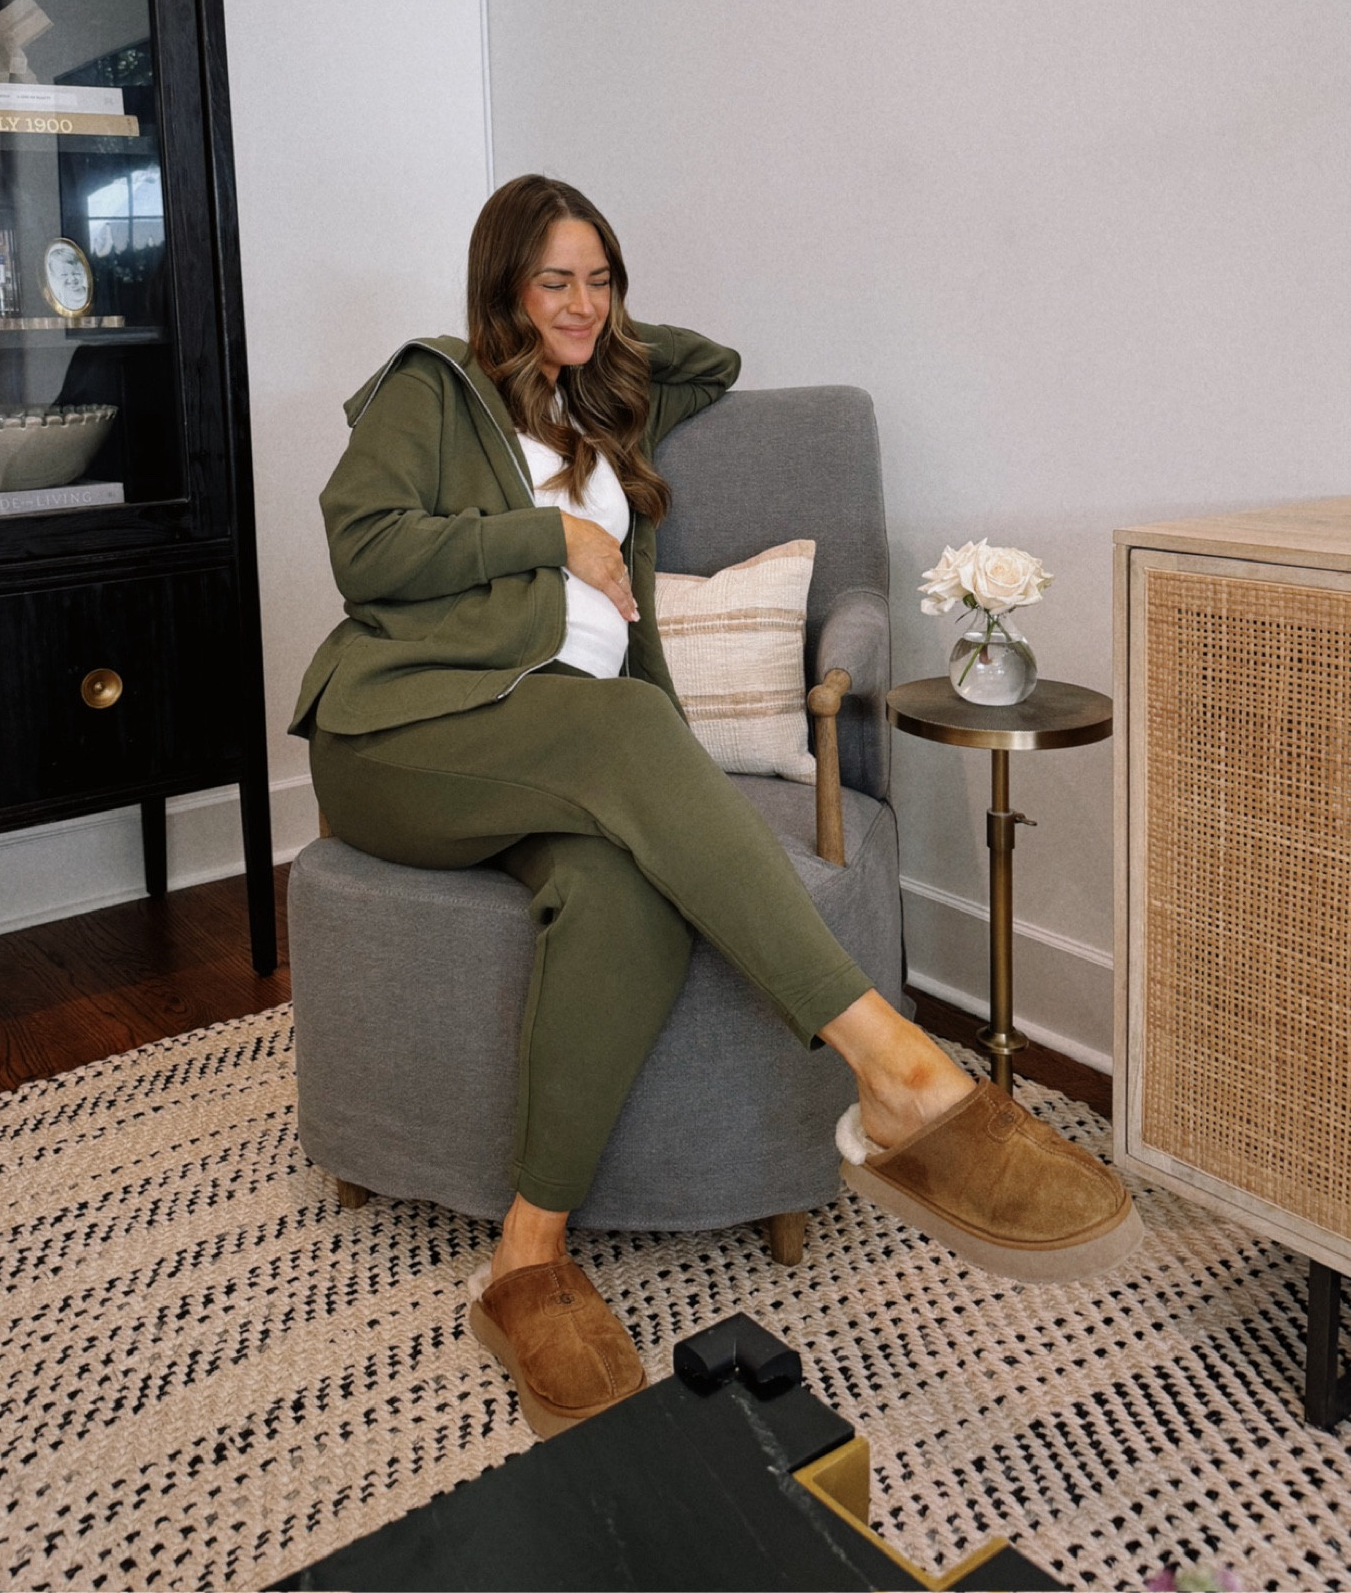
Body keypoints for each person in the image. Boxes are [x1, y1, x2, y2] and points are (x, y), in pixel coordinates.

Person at [292, 173, 1140, 1440]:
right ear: (499, 290)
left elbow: (712, 358)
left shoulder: (600, 398)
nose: (584, 302)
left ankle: (527, 1261)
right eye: (553, 280)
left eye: (603, 277)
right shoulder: (434, 386)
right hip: (408, 732)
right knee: (635, 722)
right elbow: (361, 545)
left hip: (556, 749)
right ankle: (899, 1068)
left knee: (626, 892)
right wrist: (549, 540)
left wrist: (595, 345)